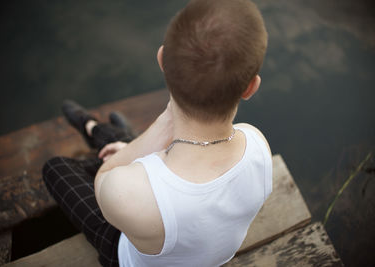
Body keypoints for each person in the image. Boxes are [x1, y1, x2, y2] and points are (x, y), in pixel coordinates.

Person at [42, 0, 272, 266]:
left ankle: (93, 127)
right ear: (250, 87)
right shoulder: (257, 144)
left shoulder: (126, 190)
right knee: (124, 144)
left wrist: (164, 123)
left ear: (162, 59)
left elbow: (106, 179)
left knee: (56, 167)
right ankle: (99, 129)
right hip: (182, 235)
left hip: (123, 249)